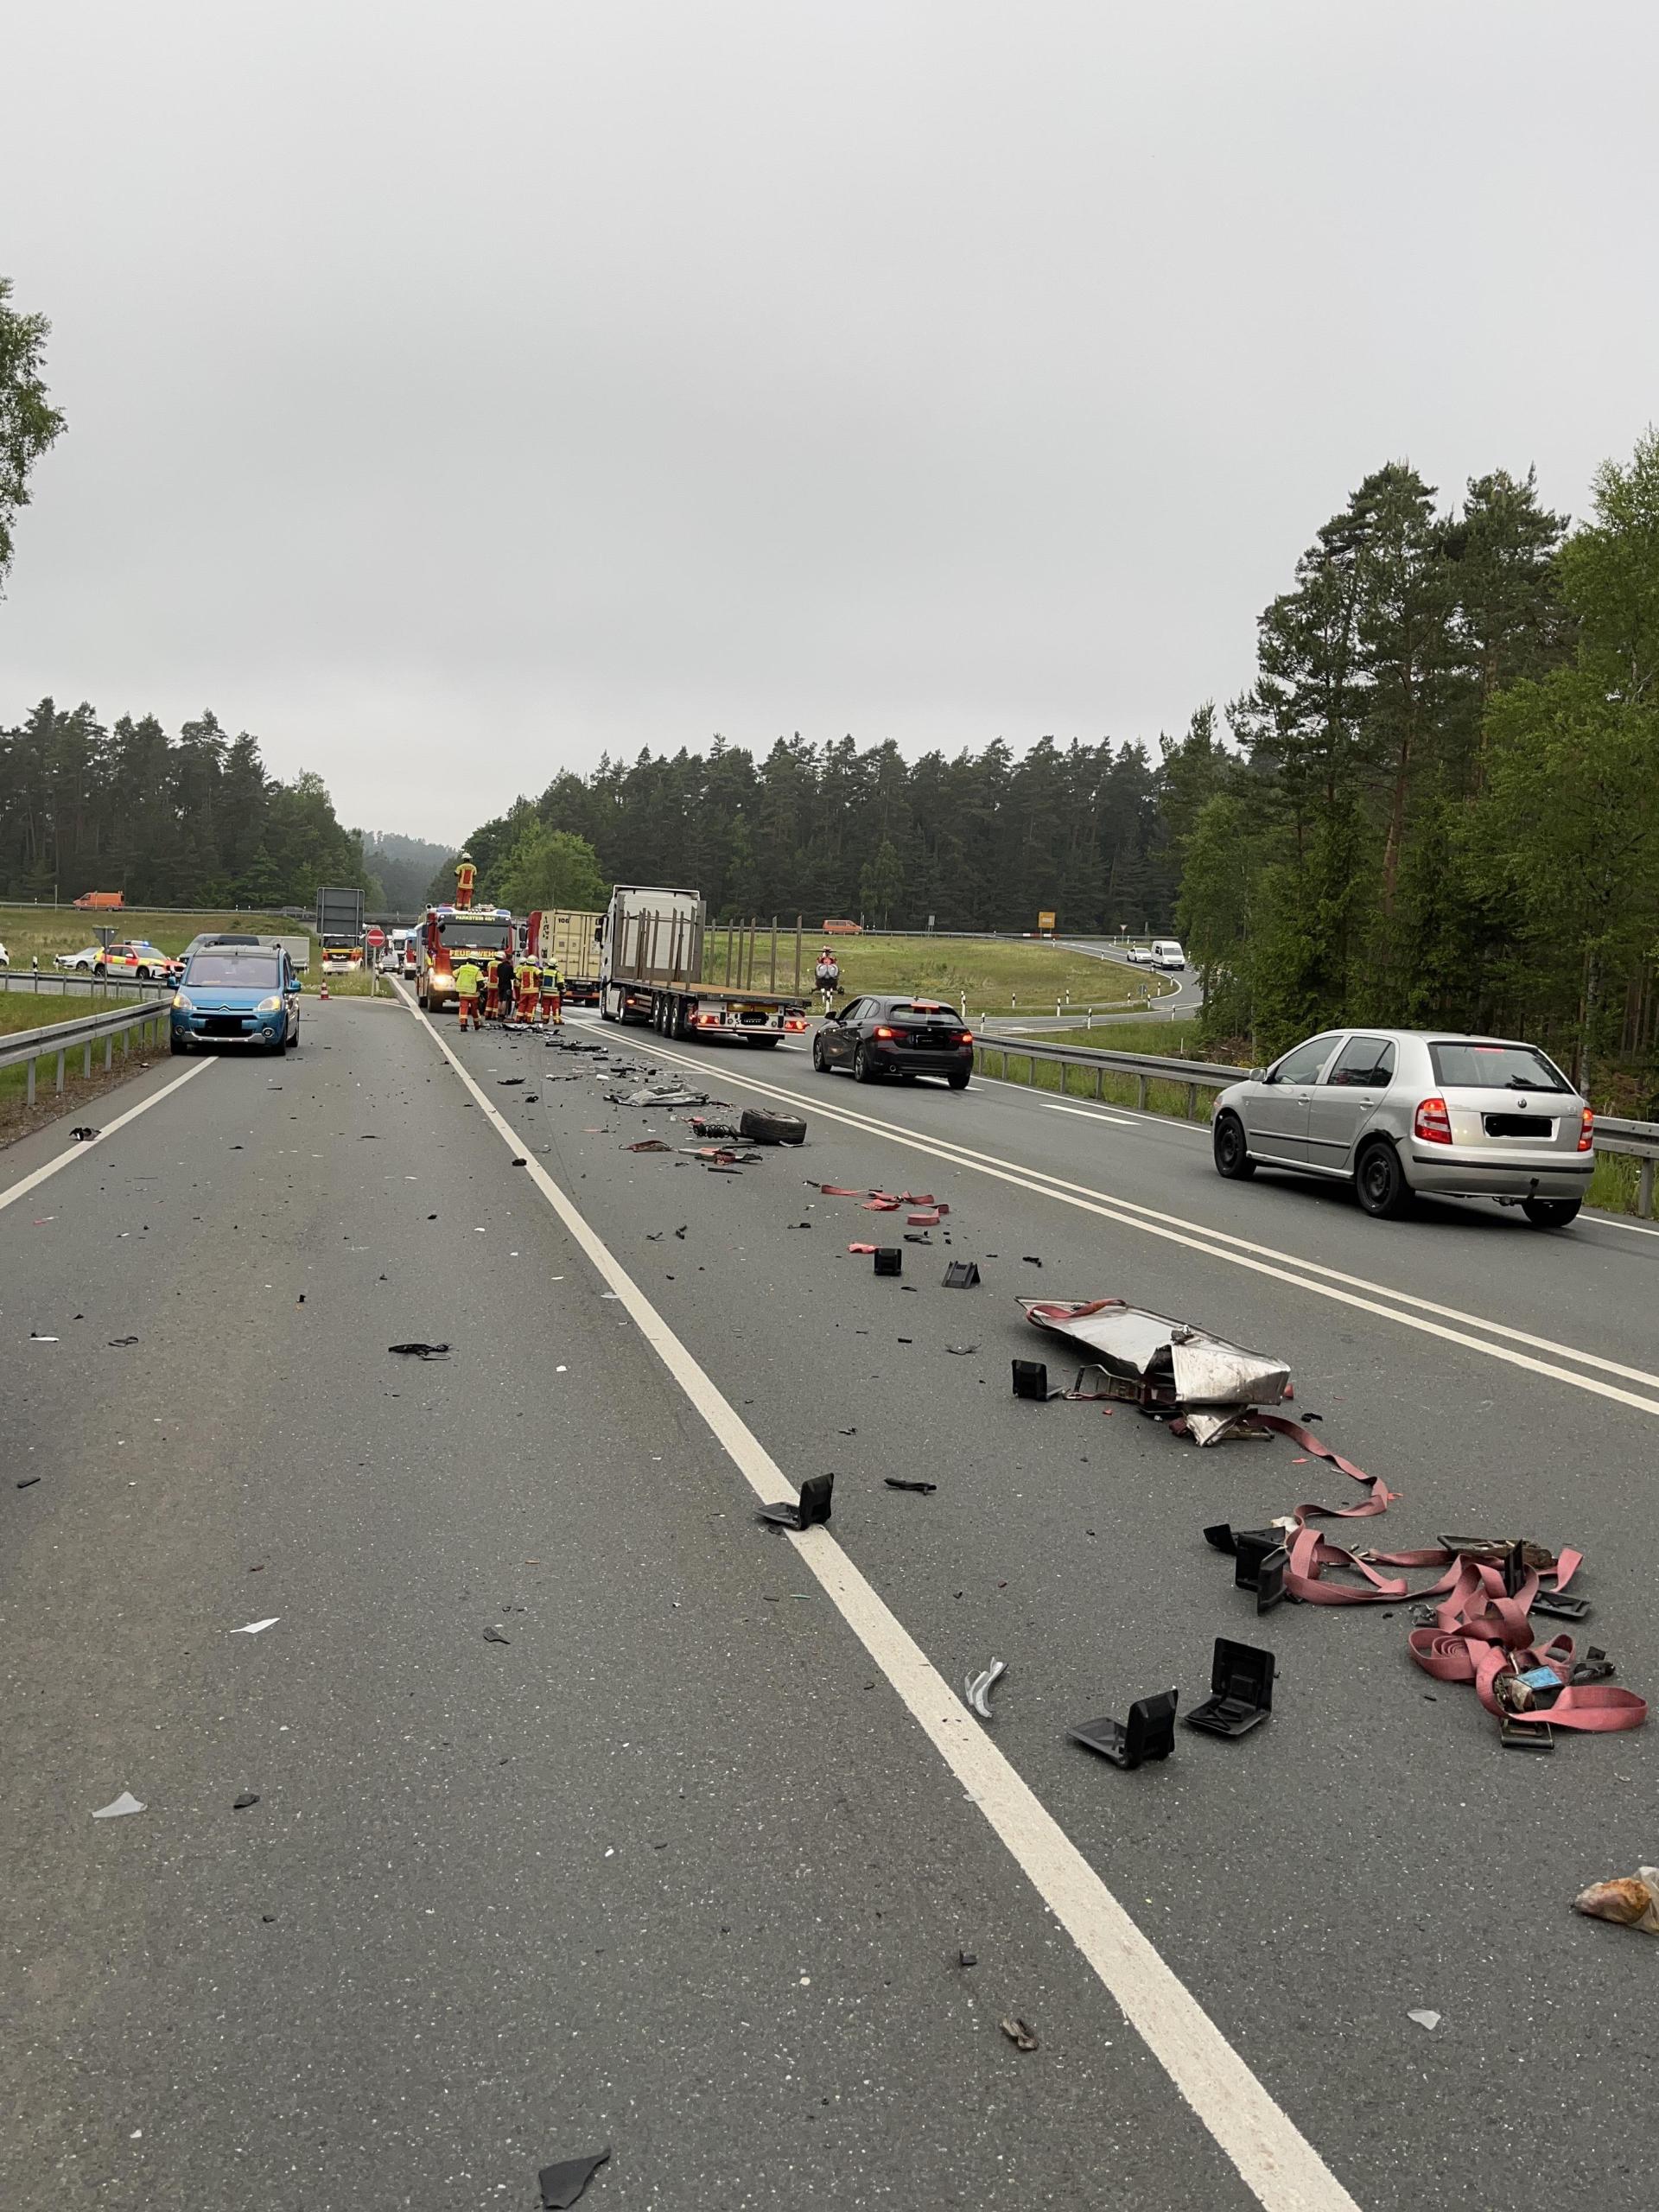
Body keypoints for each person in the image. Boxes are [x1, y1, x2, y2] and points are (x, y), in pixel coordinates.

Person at [454, 956, 483, 1030]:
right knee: (474, 1010)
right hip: (473, 994)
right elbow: (480, 982)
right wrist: (481, 989)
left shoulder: (462, 968)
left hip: (463, 993)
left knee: (463, 1008)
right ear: (476, 962)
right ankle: (477, 1024)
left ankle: (463, 1024)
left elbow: (454, 974)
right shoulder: (477, 970)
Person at [541, 958, 564, 1027]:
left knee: (546, 1006)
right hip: (554, 994)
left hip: (545, 993)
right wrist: (563, 991)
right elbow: (560, 984)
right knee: (556, 1007)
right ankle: (556, 1020)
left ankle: (545, 1019)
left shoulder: (544, 971)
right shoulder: (557, 973)